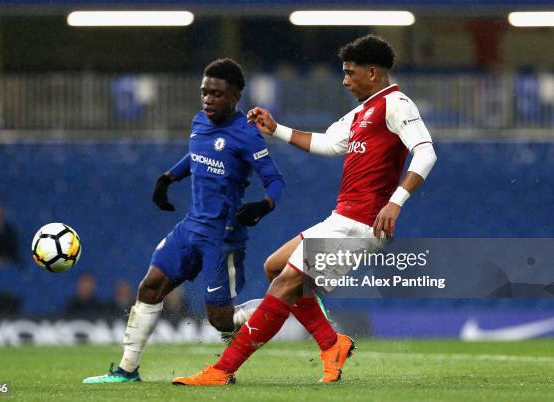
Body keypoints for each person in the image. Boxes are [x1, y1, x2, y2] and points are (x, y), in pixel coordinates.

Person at [173, 35, 437, 385]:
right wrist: (276, 129)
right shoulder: (361, 112)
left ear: (372, 72)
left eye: (349, 72)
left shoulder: (396, 103)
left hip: (361, 223)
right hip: (342, 218)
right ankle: (332, 343)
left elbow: (426, 153)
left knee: (285, 284)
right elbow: (329, 143)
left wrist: (395, 202)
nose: (344, 80)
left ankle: (223, 369)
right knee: (275, 267)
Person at [83, 58, 285, 383]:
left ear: (235, 96)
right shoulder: (199, 122)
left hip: (223, 237)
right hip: (191, 227)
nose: (207, 99)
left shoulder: (247, 135)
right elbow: (197, 154)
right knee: (149, 287)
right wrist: (168, 177)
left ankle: (283, 301)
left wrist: (264, 204)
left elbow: (275, 180)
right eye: (204, 92)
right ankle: (126, 370)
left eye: (216, 94)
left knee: (220, 320)